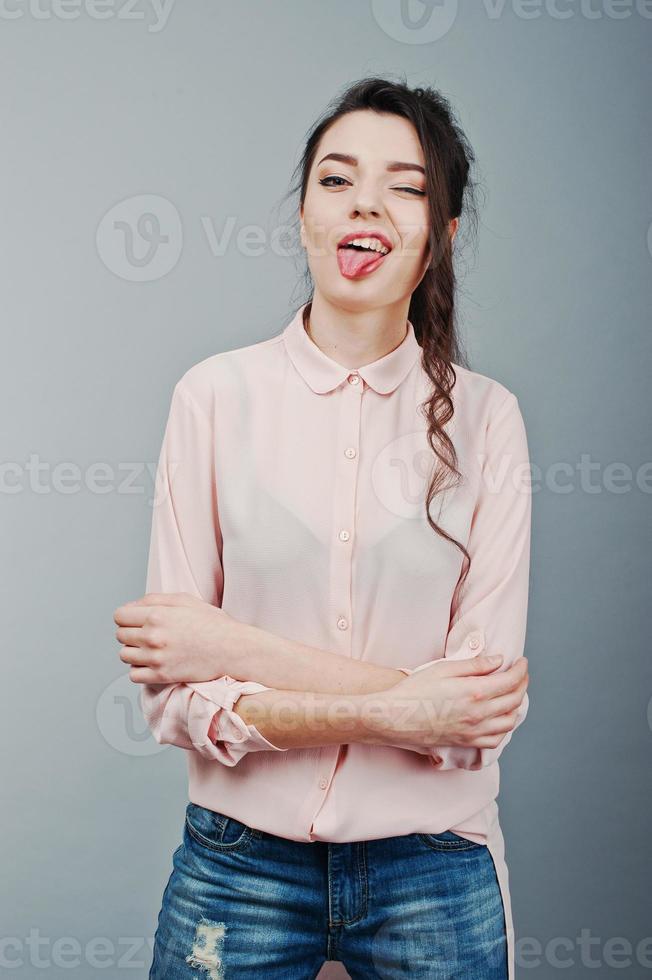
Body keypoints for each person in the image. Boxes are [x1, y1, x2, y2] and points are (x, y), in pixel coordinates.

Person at [115, 75, 531, 979]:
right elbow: (177, 702)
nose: (365, 205)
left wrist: (228, 642)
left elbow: (474, 722)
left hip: (434, 866)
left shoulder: (489, 421)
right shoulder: (212, 398)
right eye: (336, 180)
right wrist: (409, 704)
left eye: (406, 186)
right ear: (303, 215)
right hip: (239, 866)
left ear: (442, 236)